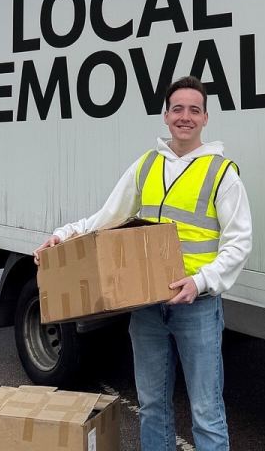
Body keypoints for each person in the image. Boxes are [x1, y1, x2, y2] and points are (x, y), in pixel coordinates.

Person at [33, 75, 252, 451]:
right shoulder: (147, 165)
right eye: (177, 109)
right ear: (166, 116)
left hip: (197, 306)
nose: (185, 117)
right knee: (152, 407)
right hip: (147, 307)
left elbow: (239, 242)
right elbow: (106, 217)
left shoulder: (222, 173)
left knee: (206, 412)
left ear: (205, 118)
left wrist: (200, 282)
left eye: (194, 110)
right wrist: (64, 236)